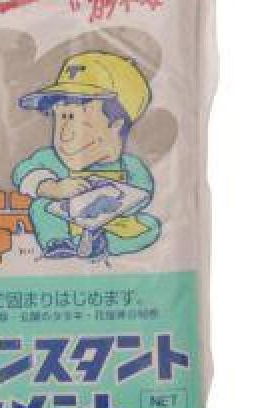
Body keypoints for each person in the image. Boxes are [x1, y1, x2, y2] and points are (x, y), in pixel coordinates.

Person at [12, 51, 160, 259]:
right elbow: (24, 172)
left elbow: (142, 193)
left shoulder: (131, 165)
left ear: (116, 124)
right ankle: (58, 243)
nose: (65, 134)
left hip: (109, 222)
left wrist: (119, 203)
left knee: (148, 225)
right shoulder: (50, 159)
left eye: (80, 121)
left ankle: (100, 244)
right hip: (65, 219)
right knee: (42, 207)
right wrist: (53, 188)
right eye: (62, 117)